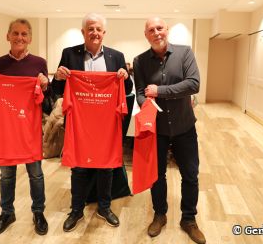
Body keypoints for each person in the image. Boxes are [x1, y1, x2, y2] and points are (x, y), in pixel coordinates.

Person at [51, 13, 132, 232]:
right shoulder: (69, 54)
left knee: (106, 168)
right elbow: (57, 90)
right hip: (79, 123)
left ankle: (104, 208)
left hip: (106, 124)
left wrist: (126, 77)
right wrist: (58, 77)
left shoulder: (116, 56)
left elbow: (128, 89)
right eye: (90, 29)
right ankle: (76, 209)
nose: (94, 33)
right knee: (78, 168)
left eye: (98, 29)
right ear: (83, 32)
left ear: (104, 33)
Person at [133, 17, 206, 244]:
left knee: (190, 174)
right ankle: (160, 214)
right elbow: (141, 93)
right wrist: (148, 100)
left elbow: (193, 84)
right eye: (151, 30)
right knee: (157, 175)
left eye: (160, 28)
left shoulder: (185, 53)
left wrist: (159, 90)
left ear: (167, 30)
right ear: (146, 35)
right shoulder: (139, 61)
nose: (156, 33)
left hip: (184, 126)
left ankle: (189, 219)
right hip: (158, 129)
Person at [0, 19, 49, 237]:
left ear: (30, 38)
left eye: (24, 34)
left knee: (36, 174)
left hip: (29, 129)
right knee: (6, 175)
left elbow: (46, 101)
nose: (19, 38)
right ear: (7, 36)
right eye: (15, 33)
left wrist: (45, 85)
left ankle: (38, 212)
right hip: (5, 130)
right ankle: (7, 213)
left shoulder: (39, 63)